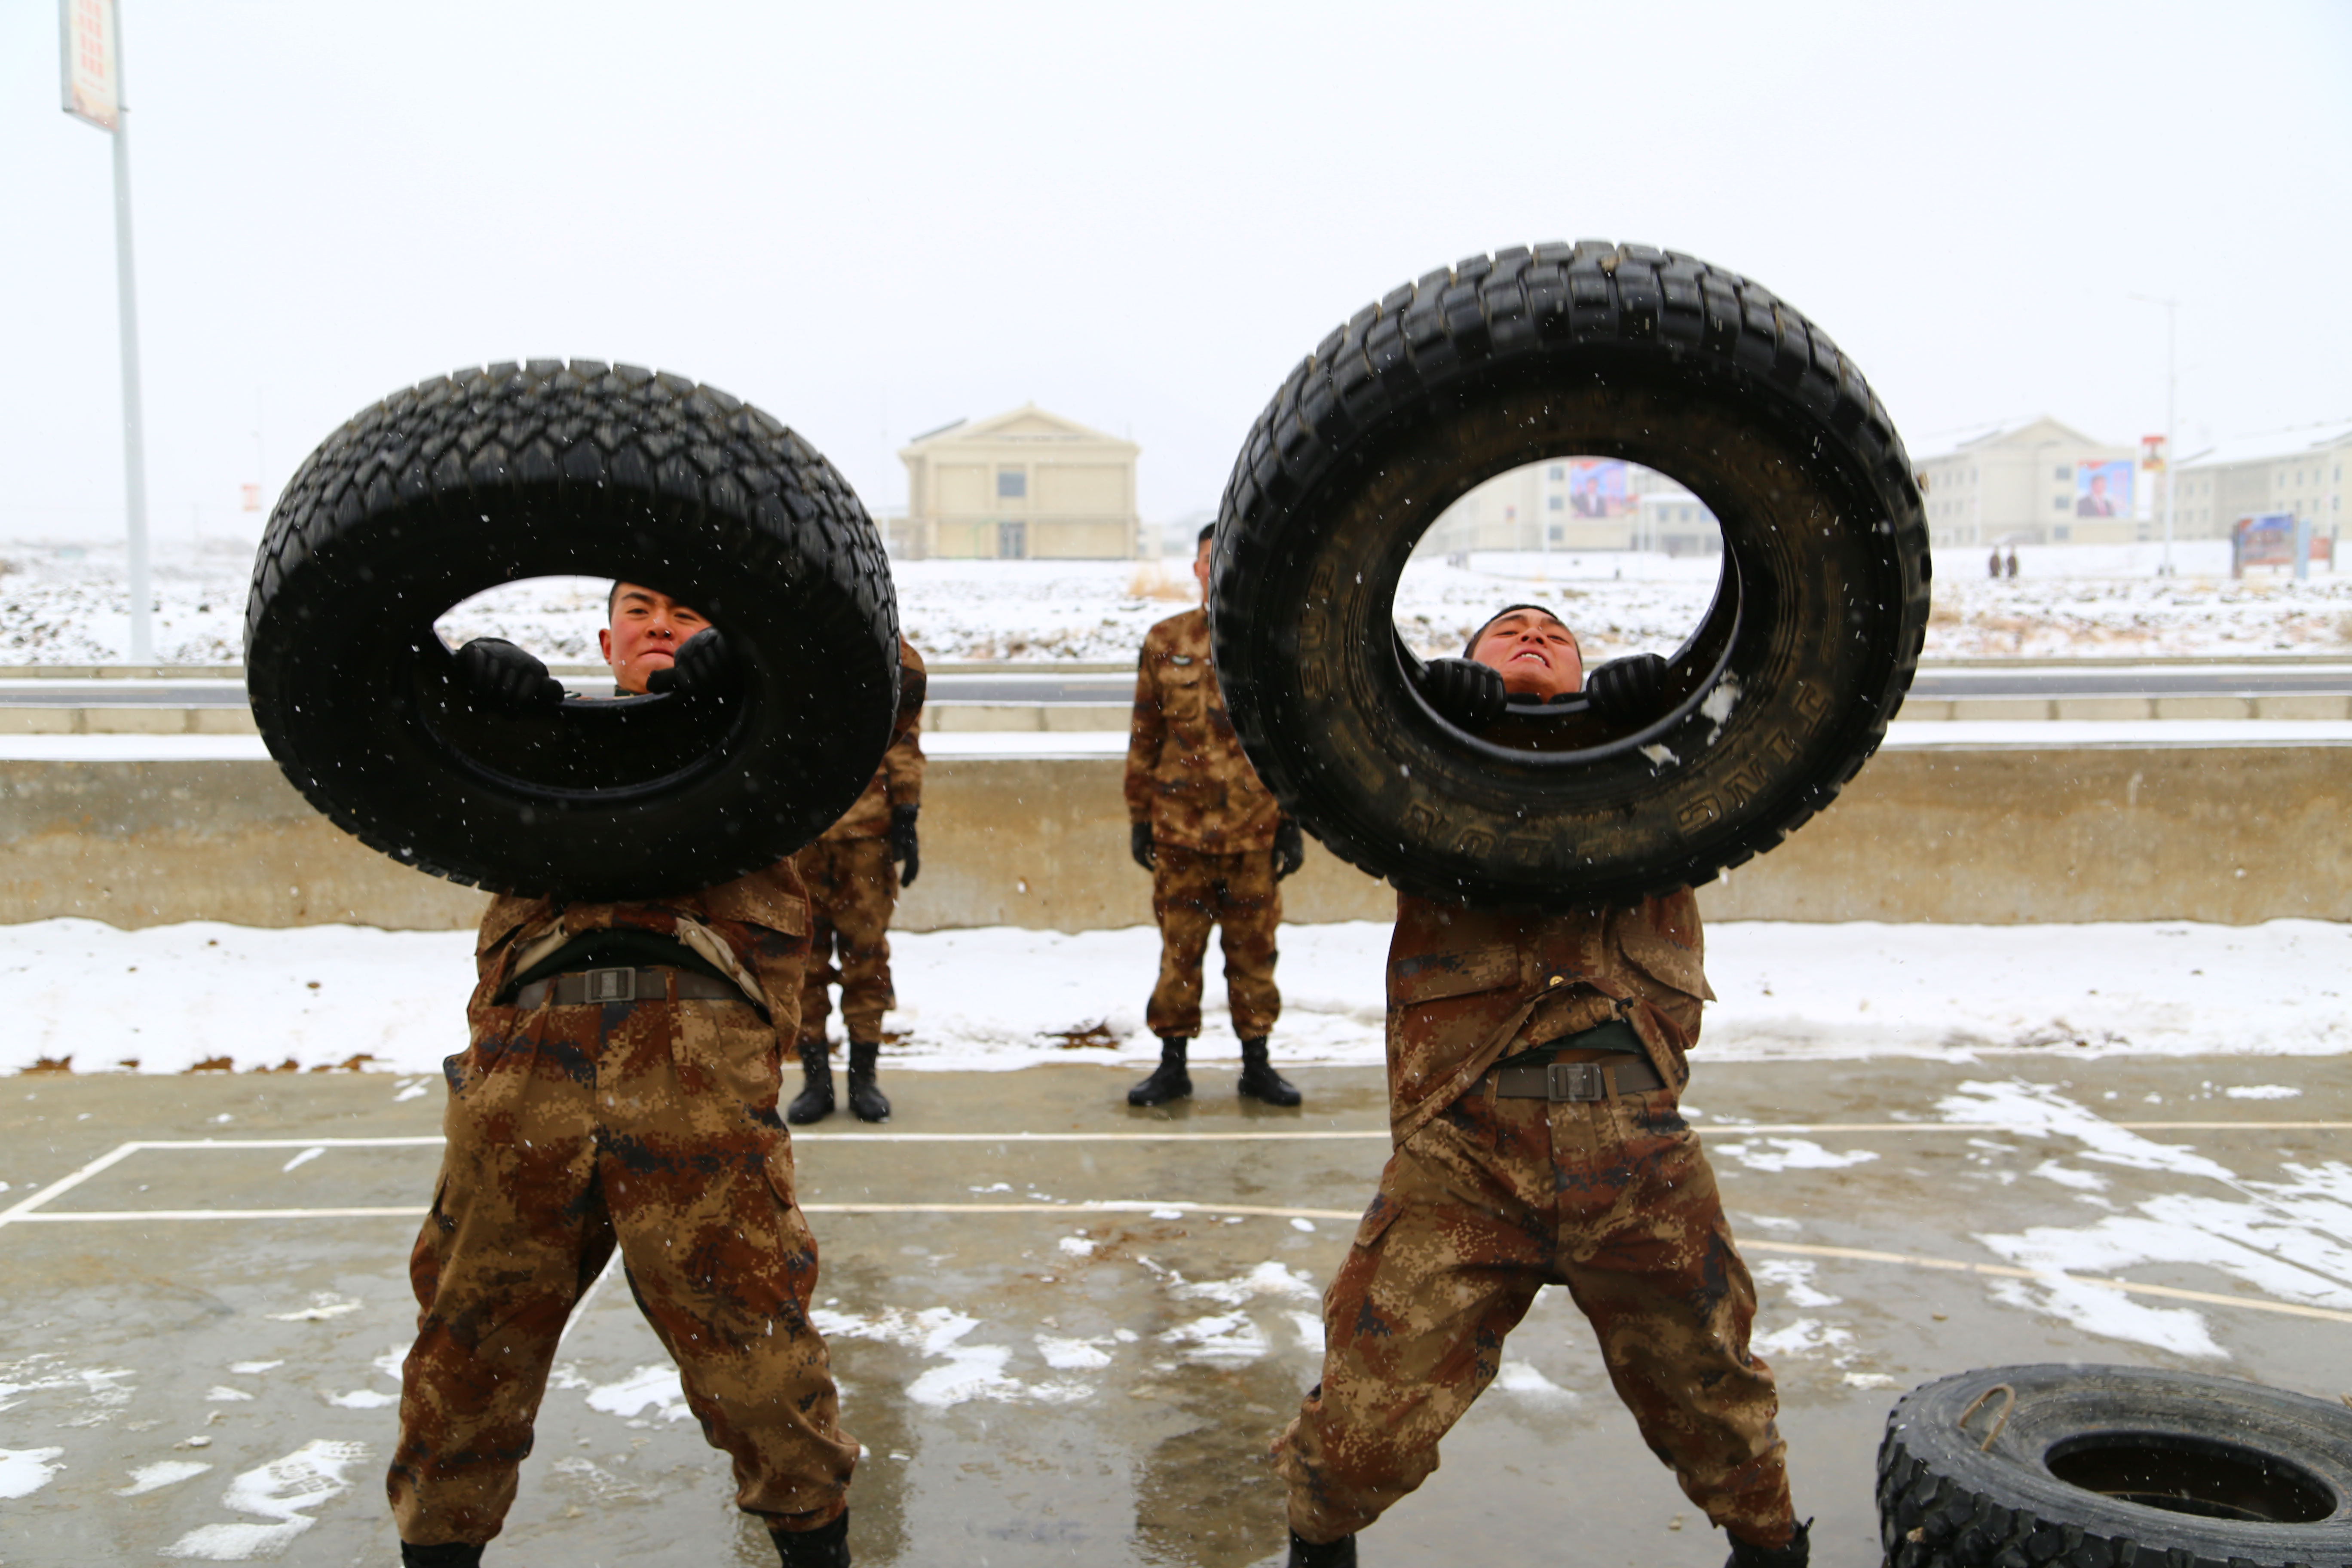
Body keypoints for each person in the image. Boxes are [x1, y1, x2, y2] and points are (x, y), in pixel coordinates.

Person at [1271, 606, 1807, 1568]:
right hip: (1469, 1151)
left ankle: (1772, 1557)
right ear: (1471, 662)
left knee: (1723, 1416)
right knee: (1359, 1430)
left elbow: (1783, 706)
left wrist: (1681, 702)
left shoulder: (1664, 769)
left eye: (1554, 635)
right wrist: (1415, 694)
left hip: (1634, 1145)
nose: (1531, 638)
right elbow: (1312, 699)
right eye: (1506, 632)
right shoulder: (1419, 772)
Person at [390, 584, 860, 1568]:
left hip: (696, 1074)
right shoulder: (538, 754)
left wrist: (749, 665)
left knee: (764, 1372)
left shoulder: (775, 748)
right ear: (605, 641)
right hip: (526, 1071)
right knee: (462, 1366)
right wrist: (467, 696)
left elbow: (867, 664)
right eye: (639, 610)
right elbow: (391, 745)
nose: (660, 625)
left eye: (688, 611)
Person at [1123, 522, 1308, 1109]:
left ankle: (1257, 1064)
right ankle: (1172, 1065)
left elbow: (1291, 742)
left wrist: (1294, 821)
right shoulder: (1165, 640)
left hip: (1254, 831)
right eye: (1209, 560)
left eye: (1229, 560)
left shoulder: (1272, 644)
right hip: (1180, 833)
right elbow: (1144, 735)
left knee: (1254, 954)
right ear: (1197, 570)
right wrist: (1137, 815)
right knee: (1179, 951)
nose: (1218, 571)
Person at [788, 636, 928, 1125]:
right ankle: (815, 1080)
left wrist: (906, 812)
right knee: (802, 963)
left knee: (865, 959)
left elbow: (904, 733)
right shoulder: (780, 636)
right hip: (797, 833)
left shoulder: (868, 640)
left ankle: (863, 1077)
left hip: (866, 835)